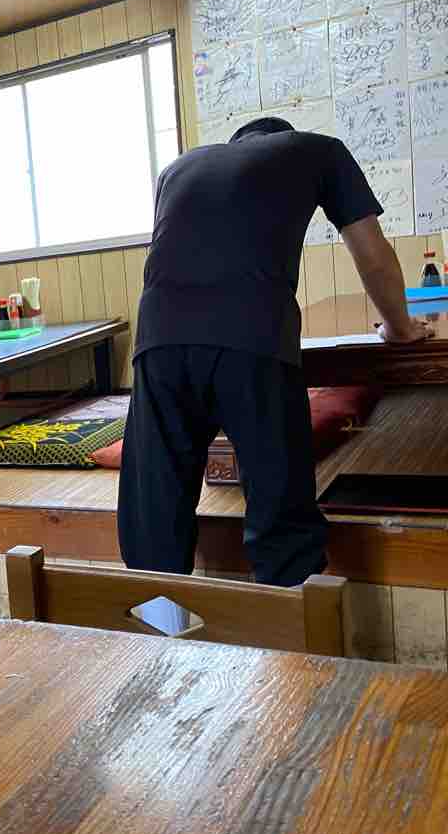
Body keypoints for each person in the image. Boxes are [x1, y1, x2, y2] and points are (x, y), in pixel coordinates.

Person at [118, 117, 432, 587]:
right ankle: (293, 642)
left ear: (238, 142)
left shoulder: (178, 168)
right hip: (253, 336)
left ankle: (158, 632)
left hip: (159, 339)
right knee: (279, 505)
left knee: (155, 507)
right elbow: (371, 252)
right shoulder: (318, 148)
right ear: (282, 135)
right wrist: (400, 329)